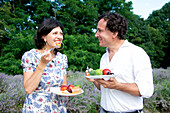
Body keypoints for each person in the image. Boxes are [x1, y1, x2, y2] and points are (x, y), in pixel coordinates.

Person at [86, 12, 154, 113]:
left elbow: (147, 90)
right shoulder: (104, 57)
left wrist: (117, 85)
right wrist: (94, 79)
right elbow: (104, 88)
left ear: (114, 33)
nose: (96, 35)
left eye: (100, 31)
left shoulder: (136, 53)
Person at [21, 18, 68, 113]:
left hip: (58, 108)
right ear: (44, 36)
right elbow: (28, 88)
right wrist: (42, 64)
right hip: (37, 108)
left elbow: (63, 85)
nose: (59, 37)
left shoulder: (62, 58)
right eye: (55, 33)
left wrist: (71, 91)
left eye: (61, 33)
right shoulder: (30, 56)